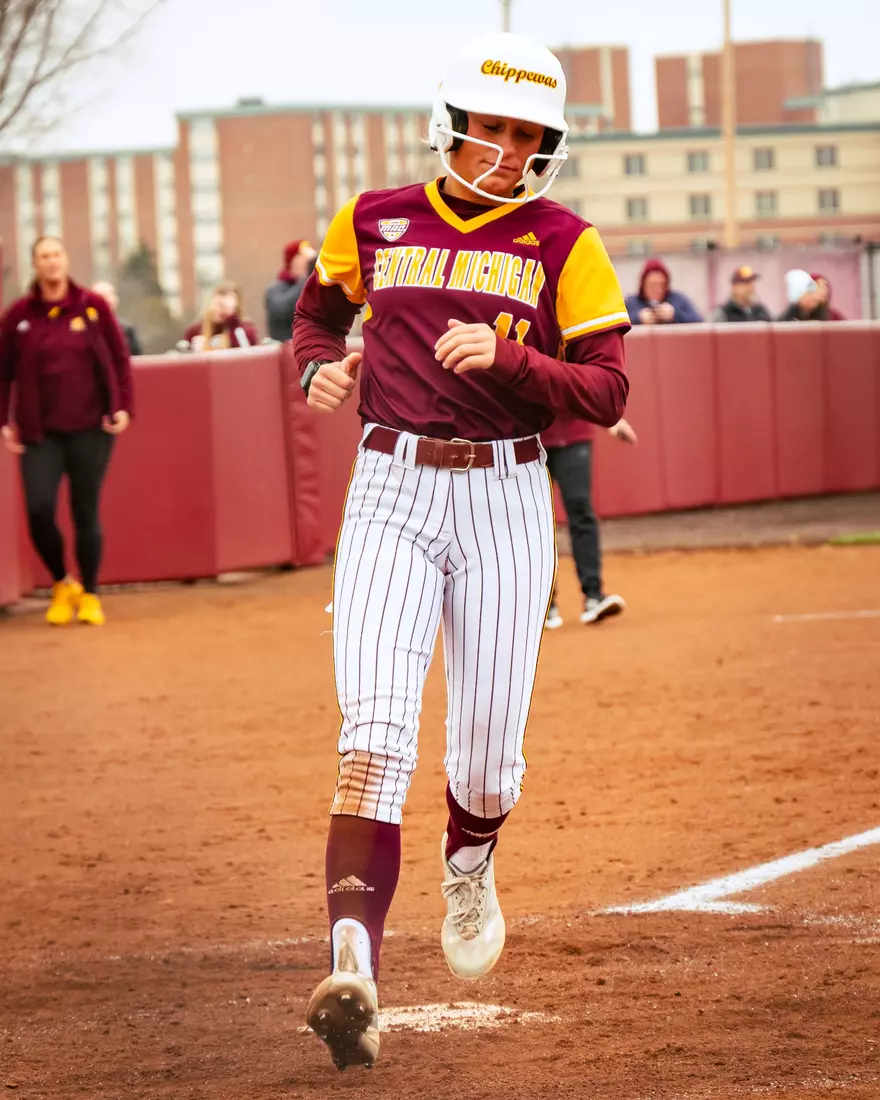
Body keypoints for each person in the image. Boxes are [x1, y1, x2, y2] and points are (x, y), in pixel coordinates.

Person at [291, 29, 629, 1072]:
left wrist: (515, 357)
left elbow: (608, 387)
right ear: (452, 123)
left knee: (484, 751)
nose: (509, 150)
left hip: (506, 493)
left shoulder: (564, 239)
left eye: (529, 135)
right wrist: (314, 365)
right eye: (494, 128)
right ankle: (354, 964)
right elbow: (315, 314)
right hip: (389, 483)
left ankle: (470, 856)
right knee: (375, 732)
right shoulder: (372, 216)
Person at [0, 237, 133, 626]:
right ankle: (62, 582)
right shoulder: (19, 315)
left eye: (57, 254)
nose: (51, 262)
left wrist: (122, 405)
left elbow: (119, 357)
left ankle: (90, 593)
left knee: (84, 511)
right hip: (39, 432)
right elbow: (3, 373)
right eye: (44, 257)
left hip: (91, 427)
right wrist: (4, 420)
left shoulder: (92, 306)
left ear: (66, 259)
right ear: (35, 265)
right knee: (39, 509)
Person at [542, 413, 637, 630]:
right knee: (539, 521)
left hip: (574, 436)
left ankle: (594, 597)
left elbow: (586, 384)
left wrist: (611, 419)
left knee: (581, 509)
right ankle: (545, 605)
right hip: (532, 441)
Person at [264, 239, 318, 342]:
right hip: (286, 351)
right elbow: (282, 311)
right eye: (302, 257)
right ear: (292, 261)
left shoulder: (314, 286)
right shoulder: (274, 289)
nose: (307, 262)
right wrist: (306, 280)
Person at [625, 258, 703, 325]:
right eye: (652, 285)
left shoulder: (679, 300)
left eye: (660, 285)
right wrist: (638, 318)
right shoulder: (632, 303)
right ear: (643, 285)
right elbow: (619, 325)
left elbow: (699, 322)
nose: (657, 290)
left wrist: (674, 315)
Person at [183, 282, 259, 350]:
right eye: (218, 304)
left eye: (225, 306)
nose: (220, 310)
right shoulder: (196, 330)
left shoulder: (244, 329)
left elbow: (245, 353)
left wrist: (232, 321)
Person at [92, 280, 143, 355]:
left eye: (110, 296)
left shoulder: (127, 330)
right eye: (101, 296)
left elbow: (137, 359)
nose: (106, 300)